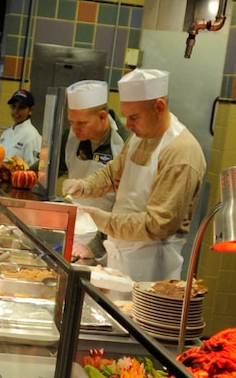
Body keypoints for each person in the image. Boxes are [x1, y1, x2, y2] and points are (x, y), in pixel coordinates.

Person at [68, 68, 205, 281]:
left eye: (134, 117)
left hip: (151, 268)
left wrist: (104, 221)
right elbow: (112, 174)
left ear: (159, 107)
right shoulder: (139, 138)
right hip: (120, 256)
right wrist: (83, 186)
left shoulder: (180, 152)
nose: (128, 125)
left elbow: (157, 224)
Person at [58, 77, 124, 188]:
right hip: (74, 198)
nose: (75, 128)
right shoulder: (68, 138)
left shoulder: (125, 141)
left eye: (81, 123)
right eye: (71, 122)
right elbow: (45, 169)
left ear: (102, 117)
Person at [0, 87, 43, 166]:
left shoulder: (32, 136)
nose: (16, 111)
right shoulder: (6, 134)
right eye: (13, 106)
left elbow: (32, 169)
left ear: (30, 110)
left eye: (21, 107)